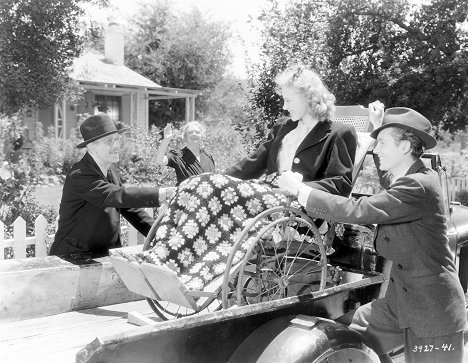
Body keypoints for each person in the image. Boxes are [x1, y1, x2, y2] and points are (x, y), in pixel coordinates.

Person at [277, 104, 466, 362]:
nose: (376, 149)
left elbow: (360, 210)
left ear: (404, 147)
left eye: (382, 143)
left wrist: (301, 191)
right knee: (344, 333)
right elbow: (388, 179)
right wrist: (378, 127)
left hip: (432, 312)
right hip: (400, 304)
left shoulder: (418, 185)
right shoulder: (410, 174)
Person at [50, 113, 175, 256]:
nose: (116, 145)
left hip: (102, 257)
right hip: (72, 260)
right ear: (91, 147)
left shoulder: (111, 170)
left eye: (116, 139)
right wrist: (164, 193)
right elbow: (117, 195)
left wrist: (162, 235)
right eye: (109, 141)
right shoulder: (79, 174)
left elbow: (130, 209)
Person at [226, 63, 357, 197]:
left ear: (309, 98)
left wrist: (298, 188)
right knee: (213, 187)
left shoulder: (339, 133)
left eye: (288, 100)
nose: (284, 106)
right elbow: (253, 163)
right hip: (270, 202)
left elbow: (340, 184)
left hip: (300, 209)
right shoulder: (283, 126)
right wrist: (222, 178)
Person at [155, 121, 216, 185]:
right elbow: (159, 161)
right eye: (190, 132)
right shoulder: (178, 155)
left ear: (202, 136)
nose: (194, 134)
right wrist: (166, 140)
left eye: (197, 132)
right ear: (185, 137)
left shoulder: (208, 157)